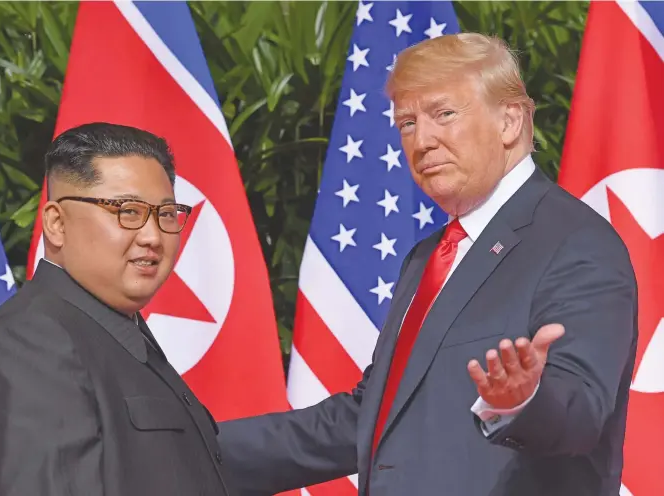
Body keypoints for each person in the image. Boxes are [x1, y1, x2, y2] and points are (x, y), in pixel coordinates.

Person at [217, 33, 637, 496]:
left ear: (510, 121)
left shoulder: (575, 242)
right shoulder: (429, 256)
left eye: (444, 114)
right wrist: (190, 447)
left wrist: (523, 401)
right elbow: (373, 416)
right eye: (407, 123)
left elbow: (581, 413)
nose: (422, 140)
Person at [0, 122, 233, 495]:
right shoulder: (30, 339)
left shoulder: (110, 326)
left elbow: (191, 459)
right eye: (127, 211)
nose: (153, 236)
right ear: (56, 224)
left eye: (166, 214)